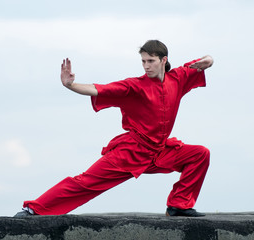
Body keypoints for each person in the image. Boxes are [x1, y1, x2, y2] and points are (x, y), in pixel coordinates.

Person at [15, 40, 214, 217]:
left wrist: (209, 60)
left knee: (199, 154)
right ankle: (34, 209)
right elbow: (99, 89)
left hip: (161, 151)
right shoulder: (135, 86)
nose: (146, 66)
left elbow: (204, 62)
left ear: (163, 60)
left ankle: (178, 206)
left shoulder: (178, 78)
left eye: (150, 61)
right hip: (131, 152)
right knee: (85, 182)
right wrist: (70, 85)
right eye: (143, 61)